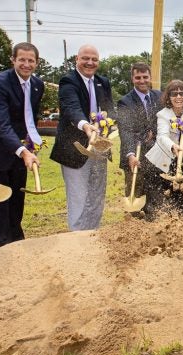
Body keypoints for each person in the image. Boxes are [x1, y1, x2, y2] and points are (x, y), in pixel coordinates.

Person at [0, 42, 43, 251]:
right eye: (22, 59)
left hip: (19, 157)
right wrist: (22, 150)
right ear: (13, 60)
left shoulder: (37, 85)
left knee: (15, 208)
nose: (26, 64)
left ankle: (17, 253)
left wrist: (32, 143)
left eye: (31, 60)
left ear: (37, 63)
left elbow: (29, 119)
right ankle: (1, 256)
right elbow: (0, 123)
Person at [49, 44, 114, 230]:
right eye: (85, 58)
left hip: (100, 148)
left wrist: (110, 124)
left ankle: (92, 237)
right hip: (74, 148)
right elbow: (71, 108)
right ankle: (76, 240)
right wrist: (85, 126)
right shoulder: (68, 81)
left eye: (94, 59)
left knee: (96, 197)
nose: (90, 62)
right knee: (79, 198)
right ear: (76, 59)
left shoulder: (103, 82)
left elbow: (110, 110)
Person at [144, 79, 183, 215]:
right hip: (165, 159)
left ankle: (182, 225)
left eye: (182, 93)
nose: (178, 97)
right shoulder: (163, 114)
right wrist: (172, 146)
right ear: (168, 97)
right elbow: (162, 136)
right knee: (166, 200)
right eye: (174, 94)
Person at [116, 62, 162, 219]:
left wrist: (153, 132)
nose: (142, 80)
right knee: (136, 198)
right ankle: (134, 233)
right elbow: (126, 130)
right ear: (132, 78)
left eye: (145, 77)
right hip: (135, 157)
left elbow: (163, 121)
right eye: (138, 77)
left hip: (156, 156)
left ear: (150, 77)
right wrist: (130, 154)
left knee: (155, 198)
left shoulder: (159, 96)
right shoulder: (125, 102)